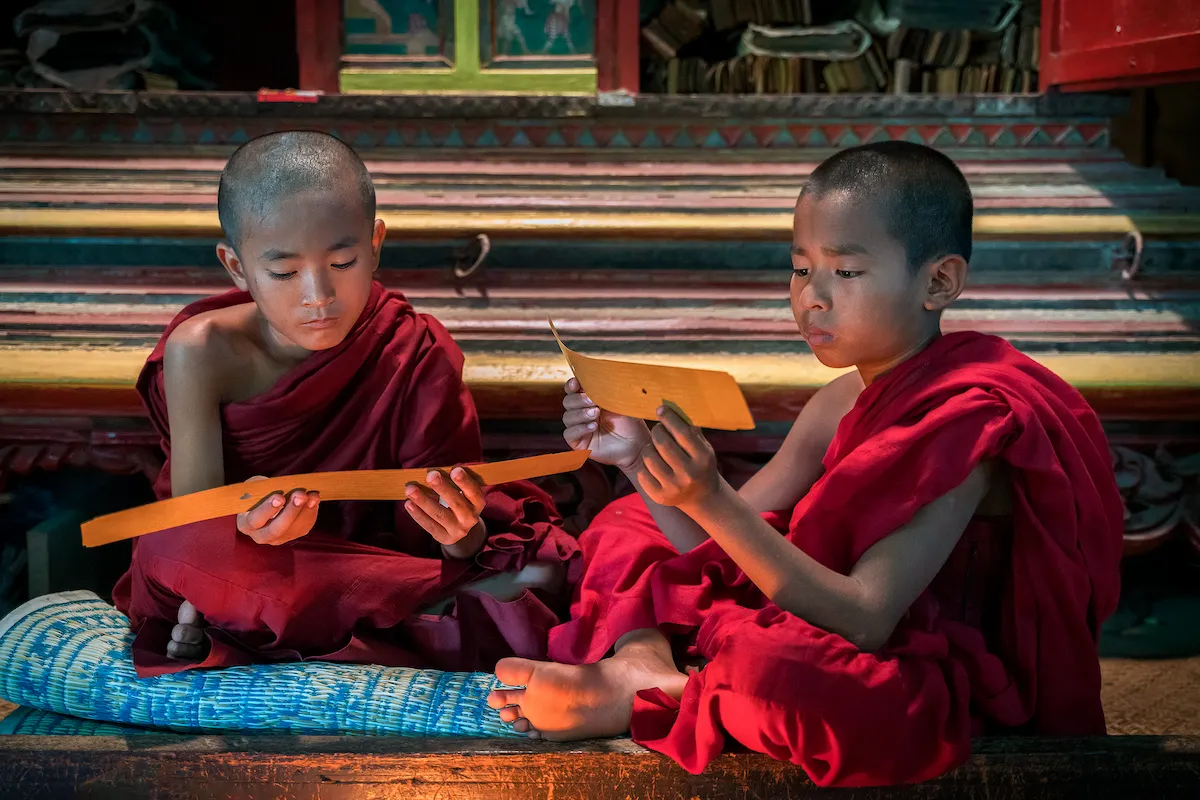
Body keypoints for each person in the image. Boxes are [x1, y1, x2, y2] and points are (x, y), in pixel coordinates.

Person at [486, 142, 1124, 787]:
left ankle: (667, 693)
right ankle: (642, 664)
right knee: (629, 523)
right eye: (799, 270)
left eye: (845, 274)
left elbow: (868, 618)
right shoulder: (839, 398)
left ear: (938, 282)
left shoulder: (971, 415)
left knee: (780, 670)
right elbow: (719, 549)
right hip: (809, 609)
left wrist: (710, 497)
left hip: (917, 663)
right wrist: (635, 459)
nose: (812, 298)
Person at [112, 131, 580, 678]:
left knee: (535, 563)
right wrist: (251, 529)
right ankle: (429, 619)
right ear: (236, 267)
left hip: (376, 565)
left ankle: (269, 629)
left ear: (375, 242)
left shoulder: (413, 348)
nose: (318, 296)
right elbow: (192, 524)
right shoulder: (203, 349)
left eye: (343, 261)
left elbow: (458, 534)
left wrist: (459, 534)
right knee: (175, 551)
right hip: (265, 564)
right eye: (284, 273)